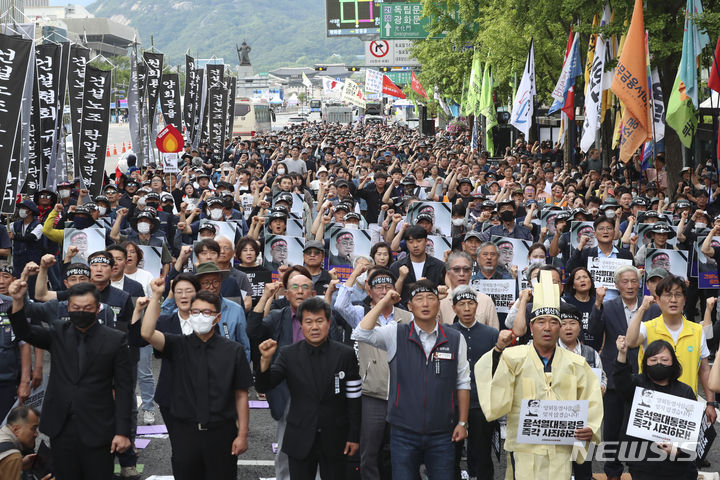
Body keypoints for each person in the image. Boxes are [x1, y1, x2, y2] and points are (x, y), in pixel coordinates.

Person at [474, 270, 603, 479]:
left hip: (562, 448)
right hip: (524, 448)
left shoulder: (577, 363)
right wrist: (497, 350)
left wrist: (590, 428)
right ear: (531, 327)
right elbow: (493, 394)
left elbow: (592, 401)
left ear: (560, 327)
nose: (547, 328)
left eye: (553, 322)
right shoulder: (514, 357)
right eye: (541, 322)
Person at [7, 280, 132, 480]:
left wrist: (123, 432)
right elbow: (25, 332)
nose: (81, 312)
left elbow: (125, 388)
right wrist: (17, 301)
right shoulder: (58, 331)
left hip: (98, 428)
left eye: (87, 308)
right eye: (76, 308)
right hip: (61, 427)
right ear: (68, 307)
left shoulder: (115, 339)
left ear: (98, 308)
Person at [352, 279, 470, 479]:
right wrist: (385, 301)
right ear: (409, 306)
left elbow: (463, 382)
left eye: (431, 298)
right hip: (403, 431)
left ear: (438, 303)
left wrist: (462, 422)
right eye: (419, 299)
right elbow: (361, 333)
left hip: (442, 431)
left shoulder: (455, 338)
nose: (425, 304)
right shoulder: (395, 333)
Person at [140, 279, 251, 480]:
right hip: (185, 431)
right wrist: (156, 296)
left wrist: (242, 434)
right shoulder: (177, 344)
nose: (201, 316)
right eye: (196, 312)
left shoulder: (233, 350)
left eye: (207, 312)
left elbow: (241, 394)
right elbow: (147, 333)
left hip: (222, 431)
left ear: (217, 318)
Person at [256, 297, 361, 480]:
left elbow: (354, 398)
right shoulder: (288, 354)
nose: (314, 327)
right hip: (299, 436)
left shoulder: (346, 354)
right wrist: (265, 360)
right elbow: (265, 384)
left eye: (320, 321)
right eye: (309, 322)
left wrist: (354, 436)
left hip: (336, 437)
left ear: (328, 323)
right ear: (301, 325)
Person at [335, 266, 412, 478]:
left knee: (402, 448)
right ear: (369, 292)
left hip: (402, 392)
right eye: (379, 288)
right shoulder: (362, 313)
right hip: (371, 392)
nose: (384, 291)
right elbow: (340, 305)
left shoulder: (408, 316)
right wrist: (354, 273)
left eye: (389, 287)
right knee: (369, 449)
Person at [587, 264, 661, 480]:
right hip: (614, 374)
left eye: (634, 281)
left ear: (640, 284)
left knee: (644, 428)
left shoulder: (653, 308)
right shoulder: (608, 306)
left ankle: (643, 471)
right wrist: (597, 304)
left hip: (646, 375)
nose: (630, 286)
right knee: (612, 428)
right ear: (617, 285)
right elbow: (593, 333)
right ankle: (612, 472)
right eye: (625, 282)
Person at [625, 275, 716, 417]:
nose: (673, 300)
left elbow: (704, 370)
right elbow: (630, 342)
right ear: (658, 300)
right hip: (652, 405)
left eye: (678, 294)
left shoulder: (697, 330)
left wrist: (710, 403)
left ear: (685, 300)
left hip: (687, 405)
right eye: (667, 295)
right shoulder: (647, 327)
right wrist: (642, 309)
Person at [614, 337, 698, 480]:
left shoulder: (685, 391)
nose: (659, 363)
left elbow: (692, 432)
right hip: (642, 463)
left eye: (664, 360)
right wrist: (622, 354)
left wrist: (678, 451)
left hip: (677, 467)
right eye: (653, 360)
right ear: (646, 363)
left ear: (673, 363)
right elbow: (621, 381)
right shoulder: (636, 384)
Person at [448, 285, 498, 480]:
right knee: (450, 453)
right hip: (452, 403)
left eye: (470, 303)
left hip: (482, 402)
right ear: (454, 308)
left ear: (477, 306)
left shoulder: (491, 333)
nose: (467, 308)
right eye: (461, 304)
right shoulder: (447, 332)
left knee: (482, 454)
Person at [439, 252, 498, 329]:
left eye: (466, 269)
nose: (462, 274)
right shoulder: (440, 301)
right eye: (456, 269)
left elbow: (494, 336)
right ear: (448, 273)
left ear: (471, 273)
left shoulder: (485, 300)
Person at [388, 226, 446, 304]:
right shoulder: (396, 267)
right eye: (411, 242)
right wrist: (401, 279)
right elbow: (391, 296)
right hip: (404, 312)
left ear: (426, 241)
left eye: (419, 241)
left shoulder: (440, 266)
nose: (415, 245)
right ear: (406, 243)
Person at [0, 405, 53, 480]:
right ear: (16, 430)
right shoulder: (11, 455)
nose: (36, 434)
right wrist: (13, 461)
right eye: (33, 428)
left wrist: (20, 464)